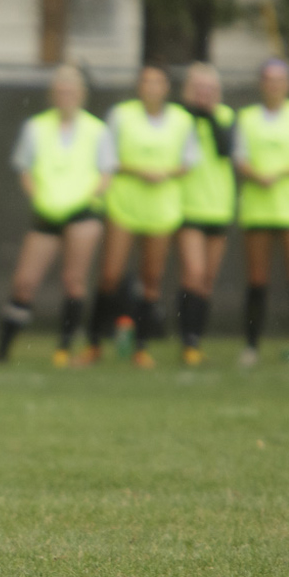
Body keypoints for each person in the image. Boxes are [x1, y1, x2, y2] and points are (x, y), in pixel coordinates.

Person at [0, 64, 113, 365]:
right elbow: (25, 169)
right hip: (47, 213)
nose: (66, 94)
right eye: (61, 89)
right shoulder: (36, 127)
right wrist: (38, 197)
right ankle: (3, 348)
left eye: (71, 89)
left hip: (82, 213)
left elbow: (106, 172)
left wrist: (86, 199)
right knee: (24, 282)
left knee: (74, 281)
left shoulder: (97, 129)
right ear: (53, 94)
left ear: (81, 94)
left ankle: (64, 348)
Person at [80, 64, 197, 368]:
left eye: (158, 82)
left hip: (161, 206)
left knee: (151, 280)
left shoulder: (182, 120)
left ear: (166, 88)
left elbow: (188, 161)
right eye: (146, 82)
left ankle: (140, 347)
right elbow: (109, 157)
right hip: (125, 203)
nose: (151, 87)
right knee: (109, 275)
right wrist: (139, 170)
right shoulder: (121, 115)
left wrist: (164, 173)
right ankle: (94, 342)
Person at [233, 58, 289, 368]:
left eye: (279, 79)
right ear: (262, 84)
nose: (274, 85)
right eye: (268, 79)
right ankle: (251, 346)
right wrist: (256, 175)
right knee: (257, 278)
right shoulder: (247, 118)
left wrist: (280, 173)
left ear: (288, 84)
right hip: (258, 208)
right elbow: (240, 158)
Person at [175, 62, 235, 366]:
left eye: (210, 89)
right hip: (188, 207)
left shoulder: (225, 118)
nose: (204, 94)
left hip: (218, 207)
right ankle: (188, 341)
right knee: (194, 275)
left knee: (207, 280)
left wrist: (209, 116)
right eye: (198, 88)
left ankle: (196, 338)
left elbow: (227, 149)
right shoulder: (178, 118)